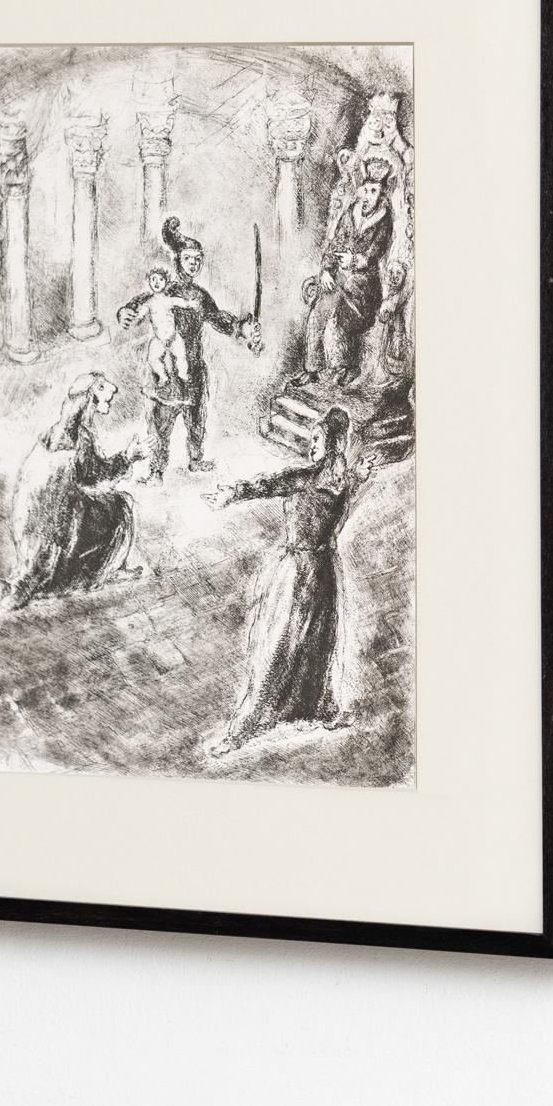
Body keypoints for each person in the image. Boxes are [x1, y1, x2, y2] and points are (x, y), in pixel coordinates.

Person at [203, 406, 376, 755]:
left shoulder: (309, 478)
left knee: (283, 645)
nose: (311, 445)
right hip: (323, 569)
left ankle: (244, 729)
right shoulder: (341, 481)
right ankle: (320, 710)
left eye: (317, 439)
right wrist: (359, 477)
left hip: (299, 571)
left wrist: (233, 493)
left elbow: (269, 484)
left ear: (333, 443)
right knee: (313, 640)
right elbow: (324, 493)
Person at [0, 373, 143, 620]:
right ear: (90, 401)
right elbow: (96, 477)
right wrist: (129, 457)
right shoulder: (81, 437)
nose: (109, 404)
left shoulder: (53, 433)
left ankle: (9, 590)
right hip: (58, 529)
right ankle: (115, 568)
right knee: (122, 504)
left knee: (33, 573)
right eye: (105, 400)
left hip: (29, 529)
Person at [116, 216, 261, 482]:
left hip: (193, 367)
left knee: (196, 418)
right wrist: (126, 311)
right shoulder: (164, 289)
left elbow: (218, 318)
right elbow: (140, 303)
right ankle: (156, 470)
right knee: (161, 422)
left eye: (197, 259)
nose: (194, 263)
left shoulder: (200, 296)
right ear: (177, 260)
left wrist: (242, 329)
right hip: (168, 368)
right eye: (188, 258)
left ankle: (195, 460)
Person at [295, 158, 395, 387]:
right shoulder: (351, 212)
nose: (368, 196)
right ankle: (312, 369)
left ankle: (347, 366)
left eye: (373, 191)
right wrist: (326, 271)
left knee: (341, 318)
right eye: (366, 190)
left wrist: (355, 260)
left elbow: (375, 252)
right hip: (339, 277)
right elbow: (335, 243)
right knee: (317, 313)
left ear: (381, 194)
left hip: (363, 286)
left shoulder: (384, 220)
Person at [132, 264, 199, 388]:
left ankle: (183, 375)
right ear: (148, 282)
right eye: (153, 279)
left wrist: (189, 304)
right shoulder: (149, 302)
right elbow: (141, 314)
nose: (157, 282)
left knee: (181, 356)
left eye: (161, 279)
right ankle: (163, 376)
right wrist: (137, 318)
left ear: (166, 282)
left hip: (174, 337)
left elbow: (180, 302)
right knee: (152, 359)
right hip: (159, 339)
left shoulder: (168, 299)